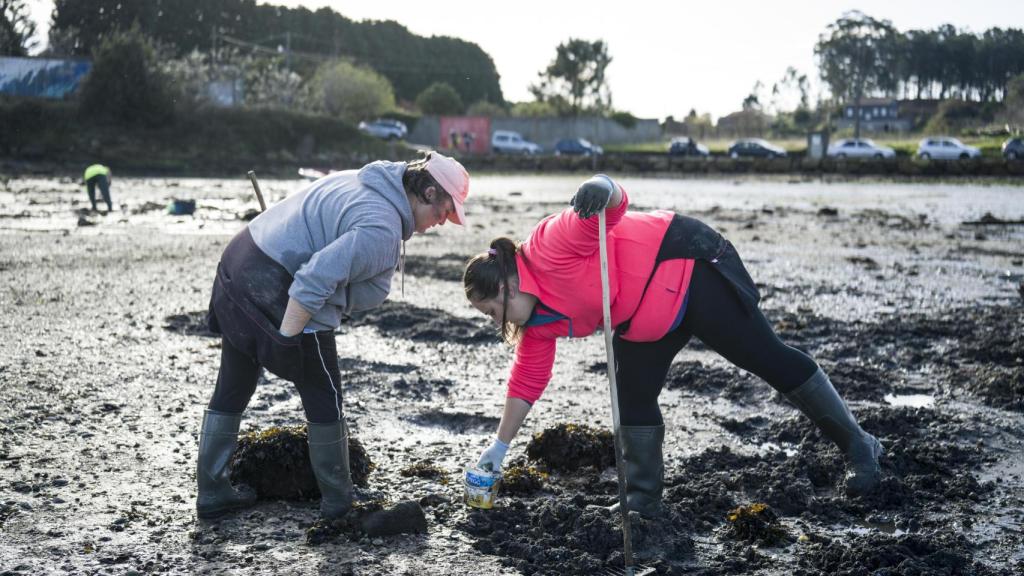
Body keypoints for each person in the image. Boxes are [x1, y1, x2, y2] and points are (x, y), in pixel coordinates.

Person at [462, 174, 883, 517]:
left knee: (768, 358)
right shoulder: (534, 325)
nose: (494, 322)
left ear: (508, 285)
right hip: (642, 318)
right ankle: (642, 500)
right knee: (632, 397)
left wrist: (600, 185)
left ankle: (860, 446)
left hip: (687, 265)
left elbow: (613, 205)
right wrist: (498, 448)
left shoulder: (551, 243)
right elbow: (526, 382)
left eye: (491, 311)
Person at [197, 152, 470, 520]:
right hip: (277, 284)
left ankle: (212, 492)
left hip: (240, 260)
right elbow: (312, 281)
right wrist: (287, 339)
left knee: (234, 381)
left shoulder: (363, 182)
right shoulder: (382, 229)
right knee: (324, 394)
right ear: (428, 191)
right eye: (445, 211)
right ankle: (338, 504)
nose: (442, 222)